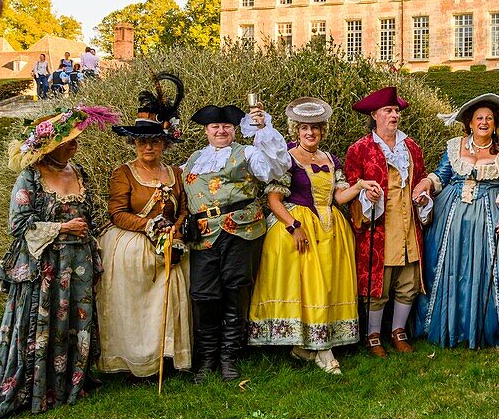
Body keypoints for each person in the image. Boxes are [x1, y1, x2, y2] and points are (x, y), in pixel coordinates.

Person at [0, 104, 119, 419]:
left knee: (75, 322)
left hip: (78, 262)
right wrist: (62, 228)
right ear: (49, 146)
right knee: (44, 325)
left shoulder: (79, 173)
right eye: (68, 141)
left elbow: (93, 215)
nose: (74, 145)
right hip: (45, 267)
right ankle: (37, 388)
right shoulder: (30, 177)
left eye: (75, 140)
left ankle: (68, 385)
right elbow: (18, 225)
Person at [249, 97, 362, 374]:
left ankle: (306, 347)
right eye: (304, 129)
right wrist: (293, 226)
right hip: (298, 228)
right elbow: (274, 200)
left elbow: (338, 196)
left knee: (326, 285)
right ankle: (322, 349)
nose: (310, 133)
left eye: (314, 128)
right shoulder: (285, 157)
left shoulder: (330, 159)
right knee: (308, 286)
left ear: (322, 130)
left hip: (330, 228)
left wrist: (360, 186)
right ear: (296, 131)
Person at [181, 101, 289, 382]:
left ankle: (229, 358)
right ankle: (206, 359)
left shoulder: (248, 152)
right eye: (215, 126)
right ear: (206, 130)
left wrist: (263, 129)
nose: (220, 131)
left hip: (240, 231)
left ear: (234, 129)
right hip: (203, 235)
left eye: (226, 126)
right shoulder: (193, 160)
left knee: (235, 290)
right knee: (204, 294)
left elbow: (275, 170)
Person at [97, 74, 193, 377]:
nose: (147, 148)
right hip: (132, 242)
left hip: (170, 240)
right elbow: (117, 213)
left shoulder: (175, 173)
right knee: (137, 300)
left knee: (174, 292)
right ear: (134, 144)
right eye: (141, 142)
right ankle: (136, 358)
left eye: (153, 141)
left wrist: (176, 228)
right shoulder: (123, 173)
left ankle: (167, 356)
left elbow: (185, 206)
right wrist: (150, 226)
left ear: (163, 143)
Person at [412, 93, 499, 349]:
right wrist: (426, 182)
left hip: (487, 214)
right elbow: (442, 175)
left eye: (489, 118)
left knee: (483, 270)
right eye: (479, 118)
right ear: (469, 123)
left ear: (496, 123)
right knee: (448, 267)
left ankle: (481, 326)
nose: (484, 122)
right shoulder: (454, 146)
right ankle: (448, 324)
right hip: (452, 214)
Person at [345, 87, 431, 358]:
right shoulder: (360, 149)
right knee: (378, 284)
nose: (394, 115)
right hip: (379, 227)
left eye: (396, 111)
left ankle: (398, 331)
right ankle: (372, 335)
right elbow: (350, 186)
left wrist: (423, 195)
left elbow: (422, 178)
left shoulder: (411, 146)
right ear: (374, 115)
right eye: (388, 111)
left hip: (409, 225)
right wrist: (365, 194)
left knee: (408, 281)